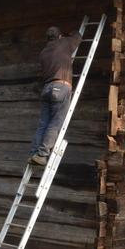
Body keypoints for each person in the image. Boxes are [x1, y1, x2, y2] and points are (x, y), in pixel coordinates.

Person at [28, 26, 82, 166]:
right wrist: (72, 33)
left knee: (43, 123)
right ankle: (42, 154)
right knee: (55, 122)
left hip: (47, 88)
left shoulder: (43, 52)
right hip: (61, 86)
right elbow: (78, 37)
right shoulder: (63, 43)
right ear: (59, 36)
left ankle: (34, 153)